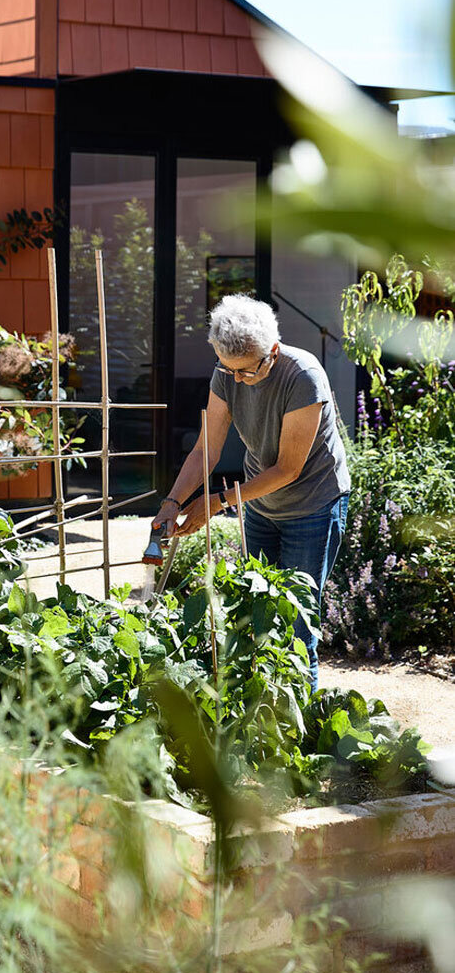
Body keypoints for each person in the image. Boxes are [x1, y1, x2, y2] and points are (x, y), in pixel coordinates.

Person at [152, 293, 349, 692]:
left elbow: (289, 469)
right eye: (230, 370)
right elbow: (207, 448)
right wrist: (172, 502)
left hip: (313, 504)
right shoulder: (226, 373)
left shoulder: (303, 376)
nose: (238, 379)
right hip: (260, 503)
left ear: (273, 351)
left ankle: (299, 733)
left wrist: (218, 502)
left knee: (296, 624)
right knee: (256, 614)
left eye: (248, 371)